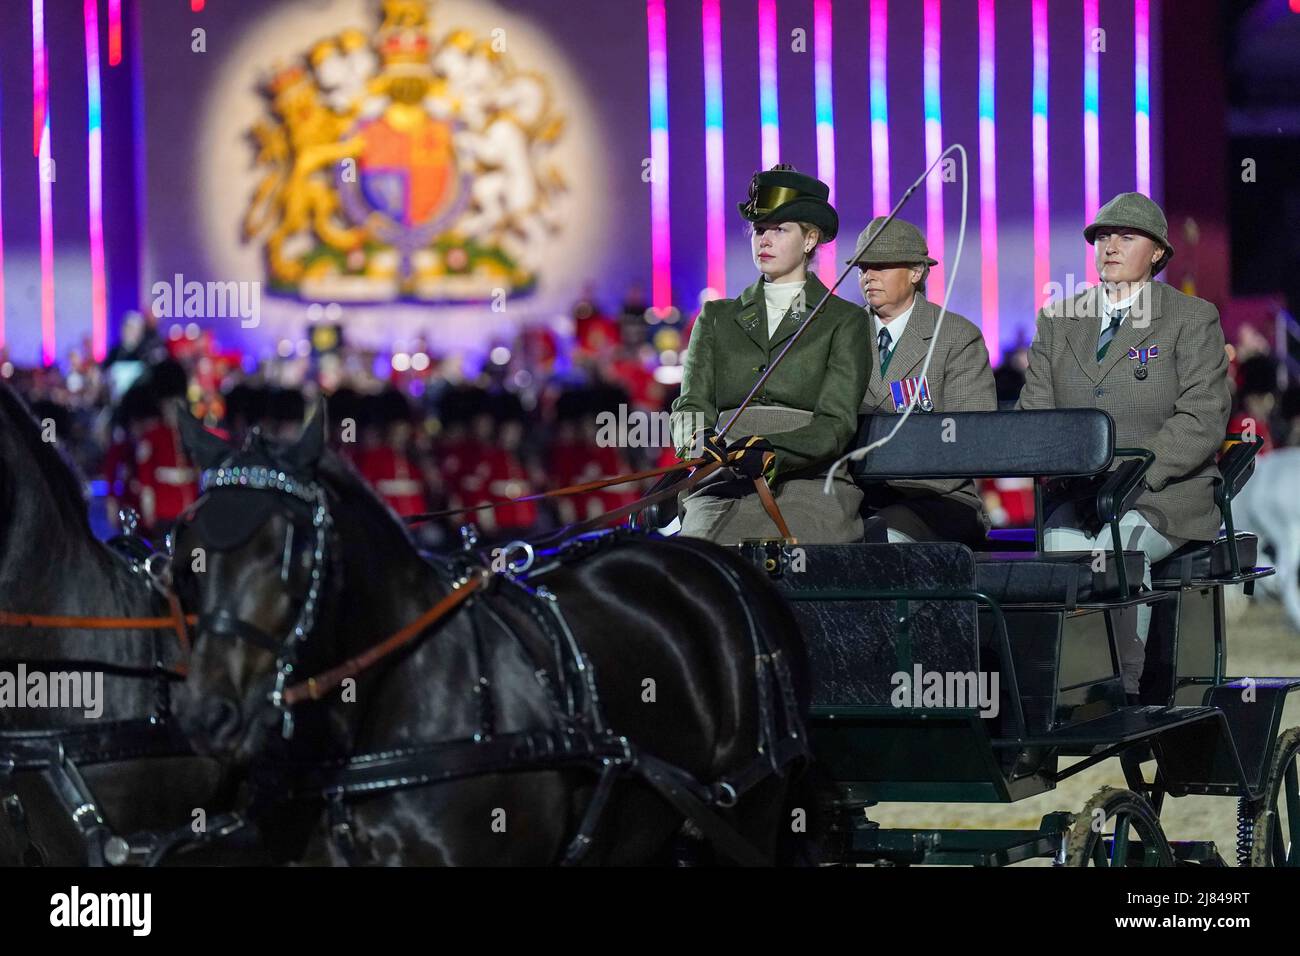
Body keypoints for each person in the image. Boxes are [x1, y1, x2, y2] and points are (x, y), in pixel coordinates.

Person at [1017, 192, 1231, 699]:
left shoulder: (1191, 318)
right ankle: (1061, 691)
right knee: (1061, 562)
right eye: (1102, 237)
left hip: (1163, 495)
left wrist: (1135, 473)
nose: (1109, 246)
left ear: (1157, 252)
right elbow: (1036, 414)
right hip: (1078, 493)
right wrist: (1064, 468)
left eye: (1125, 237)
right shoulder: (1059, 319)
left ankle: (1123, 687)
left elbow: (1202, 418)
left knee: (1119, 554)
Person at [669, 165, 870, 544]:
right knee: (699, 561)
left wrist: (774, 450)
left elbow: (835, 424)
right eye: (760, 229)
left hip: (809, 482)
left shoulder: (845, 321)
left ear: (810, 239)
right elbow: (689, 405)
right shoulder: (715, 317)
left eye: (780, 229)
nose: (765, 239)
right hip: (721, 480)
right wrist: (697, 440)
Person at [850, 216, 997, 545]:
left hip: (938, 499)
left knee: (880, 539)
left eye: (882, 266)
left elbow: (971, 439)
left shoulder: (956, 337)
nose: (869, 276)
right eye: (863, 268)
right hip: (853, 497)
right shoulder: (843, 333)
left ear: (916, 272)